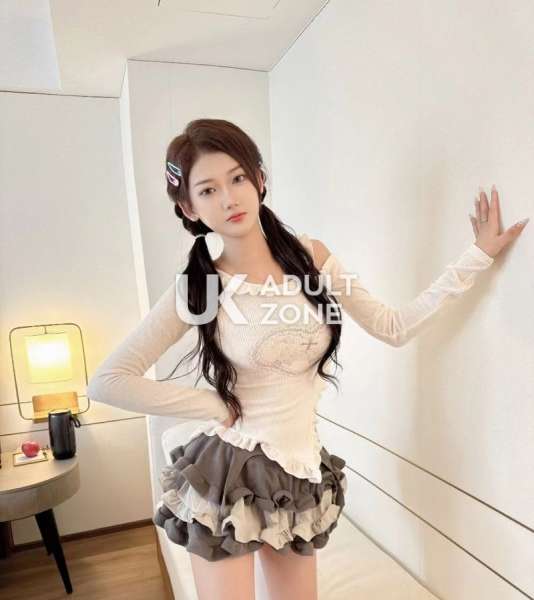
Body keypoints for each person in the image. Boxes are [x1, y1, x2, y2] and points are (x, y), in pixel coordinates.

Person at [87, 118, 527, 600]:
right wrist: (211, 405)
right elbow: (108, 380)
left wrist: (478, 255)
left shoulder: (310, 258)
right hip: (229, 474)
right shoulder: (202, 286)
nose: (229, 199)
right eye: (208, 190)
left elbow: (393, 326)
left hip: (297, 471)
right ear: (189, 207)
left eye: (237, 178)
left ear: (259, 178)